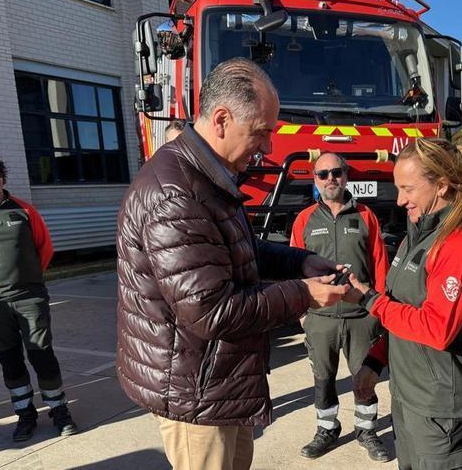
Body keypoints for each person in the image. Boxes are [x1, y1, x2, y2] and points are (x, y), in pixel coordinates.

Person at [116, 57, 349, 470]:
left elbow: (241, 249)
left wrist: (302, 262)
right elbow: (211, 311)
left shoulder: (206, 176)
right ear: (222, 120)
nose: (268, 148)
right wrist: (303, 294)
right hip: (196, 393)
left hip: (217, 381)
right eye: (261, 132)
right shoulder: (176, 192)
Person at [346, 137, 462, 470]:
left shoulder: (458, 247)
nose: (400, 200)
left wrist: (370, 300)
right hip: (408, 397)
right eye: (398, 188)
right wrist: (375, 361)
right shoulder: (415, 237)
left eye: (408, 189)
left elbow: (436, 329)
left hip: (439, 407)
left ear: (441, 185)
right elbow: (401, 310)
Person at [0, 151, 78, 442]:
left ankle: (59, 410)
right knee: (10, 359)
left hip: (29, 297)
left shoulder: (25, 210)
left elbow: (44, 249)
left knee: (42, 355)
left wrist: (26, 279)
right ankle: (25, 414)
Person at [290, 152, 390, 462]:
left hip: (361, 317)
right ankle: (327, 429)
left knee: (365, 378)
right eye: (323, 174)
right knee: (323, 379)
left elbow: (380, 265)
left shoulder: (366, 216)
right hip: (320, 318)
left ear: (346, 176)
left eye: (336, 172)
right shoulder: (304, 219)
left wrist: (378, 310)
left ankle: (366, 430)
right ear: (315, 179)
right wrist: (302, 313)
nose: (330, 179)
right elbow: (293, 268)